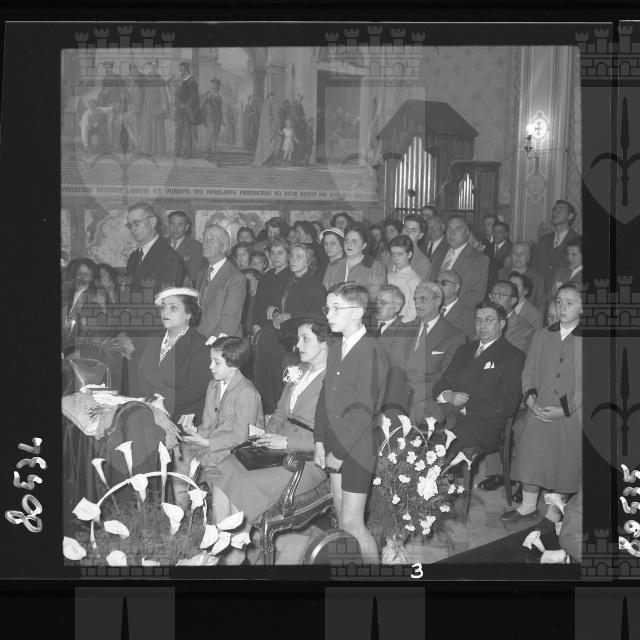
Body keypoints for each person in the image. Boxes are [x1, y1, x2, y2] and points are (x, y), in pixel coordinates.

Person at [209, 318, 330, 564]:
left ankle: (234, 559)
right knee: (226, 468)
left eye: (305, 339)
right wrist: (268, 435)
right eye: (297, 339)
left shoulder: (335, 381)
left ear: (325, 343)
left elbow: (331, 437)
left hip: (306, 459)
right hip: (275, 448)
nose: (297, 345)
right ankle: (223, 547)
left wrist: (286, 443)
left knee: (245, 483)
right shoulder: (299, 371)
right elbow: (279, 411)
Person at [315, 282, 390, 563]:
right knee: (340, 515)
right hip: (335, 442)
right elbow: (324, 397)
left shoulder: (371, 351)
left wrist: (339, 452)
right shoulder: (336, 347)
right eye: (327, 308)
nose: (329, 314)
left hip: (356, 449)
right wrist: (319, 440)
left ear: (358, 312)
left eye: (336, 308)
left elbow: (363, 412)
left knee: (352, 522)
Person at [503, 282, 583, 526]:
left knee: (564, 461)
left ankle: (553, 512)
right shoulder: (542, 335)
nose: (562, 308)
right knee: (531, 456)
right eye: (559, 302)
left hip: (571, 412)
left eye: (570, 303)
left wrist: (564, 410)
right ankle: (528, 505)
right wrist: (530, 400)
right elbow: (528, 372)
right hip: (540, 407)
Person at [176, 337, 264, 509]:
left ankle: (217, 512)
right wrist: (196, 432)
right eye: (211, 361)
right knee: (180, 454)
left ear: (234, 365)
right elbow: (208, 424)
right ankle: (181, 512)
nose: (211, 366)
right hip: (216, 442)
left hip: (239, 448)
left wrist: (207, 443)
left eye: (216, 362)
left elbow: (241, 436)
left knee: (205, 462)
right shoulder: (214, 385)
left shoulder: (246, 392)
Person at [432, 301, 526, 458]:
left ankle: (441, 474)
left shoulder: (513, 357)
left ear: (502, 324)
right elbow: (440, 386)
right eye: (478, 320)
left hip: (482, 425)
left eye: (489, 320)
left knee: (440, 442)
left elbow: (507, 405)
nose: (482, 325)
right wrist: (448, 395)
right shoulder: (465, 349)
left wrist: (465, 406)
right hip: (449, 416)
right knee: (416, 432)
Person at [254, 244, 327, 413]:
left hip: (298, 340)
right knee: (265, 346)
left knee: (281, 372)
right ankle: (269, 408)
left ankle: (278, 409)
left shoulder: (315, 286)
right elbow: (276, 306)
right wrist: (276, 313)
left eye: (299, 257)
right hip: (282, 335)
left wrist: (292, 316)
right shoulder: (288, 281)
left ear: (308, 261)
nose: (293, 260)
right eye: (292, 256)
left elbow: (317, 316)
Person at [137, 287, 211, 424]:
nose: (165, 312)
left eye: (173, 308)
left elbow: (197, 389)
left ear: (188, 314)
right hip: (150, 409)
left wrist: (164, 405)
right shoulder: (154, 339)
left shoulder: (200, 346)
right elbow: (142, 372)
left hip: (183, 418)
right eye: (163, 307)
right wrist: (151, 402)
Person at [402, 281, 465, 424]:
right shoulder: (404, 329)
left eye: (423, 299)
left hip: (426, 403)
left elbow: (445, 378)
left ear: (437, 301)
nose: (417, 304)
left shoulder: (454, 336)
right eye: (415, 300)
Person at [196, 224, 246, 341]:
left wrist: (209, 344)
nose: (205, 243)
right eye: (204, 239)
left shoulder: (236, 277)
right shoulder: (202, 274)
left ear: (224, 247)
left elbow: (230, 320)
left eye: (211, 240)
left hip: (222, 343)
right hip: (199, 340)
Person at [323, 222, 387, 310]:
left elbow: (376, 299)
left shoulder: (375, 267)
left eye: (354, 241)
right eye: (347, 240)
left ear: (364, 245)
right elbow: (325, 294)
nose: (349, 244)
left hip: (362, 314)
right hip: (334, 313)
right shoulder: (333, 266)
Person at [430, 215, 489, 309]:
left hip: (458, 313)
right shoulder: (438, 254)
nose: (452, 233)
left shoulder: (479, 259)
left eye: (458, 229)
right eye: (449, 228)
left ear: (467, 233)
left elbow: (476, 295)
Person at [126, 203, 185, 294]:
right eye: (130, 225)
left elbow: (168, 300)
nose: (133, 229)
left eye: (136, 223)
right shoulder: (133, 257)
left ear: (153, 221)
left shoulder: (170, 259)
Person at [531, 200, 581, 294]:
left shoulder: (578, 240)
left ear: (570, 216)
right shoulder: (543, 240)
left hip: (564, 293)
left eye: (560, 210)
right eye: (554, 210)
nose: (555, 213)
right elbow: (534, 266)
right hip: (541, 294)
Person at [488, 280, 535, 354]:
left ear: (513, 301)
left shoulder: (524, 330)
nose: (494, 299)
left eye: (501, 296)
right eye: (493, 295)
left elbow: (511, 356)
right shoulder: (483, 320)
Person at [499, 242, 546, 312]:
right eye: (515, 253)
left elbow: (541, 304)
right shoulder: (501, 274)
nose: (518, 256)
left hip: (529, 316)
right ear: (511, 256)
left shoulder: (536, 277)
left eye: (523, 253)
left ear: (528, 258)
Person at [138, 60, 169, 156]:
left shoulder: (159, 79)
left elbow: (163, 93)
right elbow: (142, 93)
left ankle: (156, 150)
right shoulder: (146, 79)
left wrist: (164, 105)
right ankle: (146, 150)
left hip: (155, 105)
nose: (145, 69)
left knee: (156, 126)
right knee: (147, 126)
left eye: (146, 67)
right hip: (147, 106)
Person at [387, 235, 421, 323]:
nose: (396, 258)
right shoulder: (388, 276)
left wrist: (399, 325)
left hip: (401, 324)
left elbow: (412, 312)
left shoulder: (414, 280)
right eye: (393, 254)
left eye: (400, 254)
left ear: (409, 254)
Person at [167, 210, 205, 287]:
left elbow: (193, 276)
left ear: (186, 227)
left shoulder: (196, 247)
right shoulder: (160, 244)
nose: (175, 229)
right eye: (172, 224)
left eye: (180, 225)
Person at [436, 270, 476, 340]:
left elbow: (463, 342)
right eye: (437, 282)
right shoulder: (431, 306)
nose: (438, 286)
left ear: (456, 287)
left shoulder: (468, 315)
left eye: (443, 282)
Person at [97, 61, 127, 152]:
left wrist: (124, 104)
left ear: (112, 68)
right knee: (109, 125)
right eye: (106, 68)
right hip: (109, 105)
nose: (107, 69)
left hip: (118, 104)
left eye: (109, 67)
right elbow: (103, 92)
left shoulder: (118, 77)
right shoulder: (105, 79)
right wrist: (103, 96)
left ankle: (119, 146)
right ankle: (111, 146)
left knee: (119, 125)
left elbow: (123, 91)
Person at [174, 62, 200, 159]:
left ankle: (187, 153)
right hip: (179, 109)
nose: (181, 70)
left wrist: (185, 105)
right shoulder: (180, 80)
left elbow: (194, 96)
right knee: (178, 130)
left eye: (182, 68)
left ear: (187, 69)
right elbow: (177, 94)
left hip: (187, 109)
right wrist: (178, 103)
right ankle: (177, 151)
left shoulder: (192, 81)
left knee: (186, 131)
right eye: (180, 68)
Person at [401, 215, 432, 281]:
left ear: (420, 235)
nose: (407, 233)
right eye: (405, 228)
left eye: (413, 230)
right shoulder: (389, 254)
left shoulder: (423, 263)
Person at [253, 93, 279, 166]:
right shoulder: (266, 104)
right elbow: (267, 117)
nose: (272, 100)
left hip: (267, 127)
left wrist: (273, 121)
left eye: (273, 98)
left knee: (270, 142)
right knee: (268, 142)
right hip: (266, 128)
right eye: (271, 98)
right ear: (268, 98)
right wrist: (272, 121)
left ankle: (267, 160)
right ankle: (264, 160)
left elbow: (271, 115)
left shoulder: (268, 104)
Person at [486, 221, 512, 291]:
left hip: (502, 284)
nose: (495, 235)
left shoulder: (511, 249)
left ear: (506, 235)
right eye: (494, 232)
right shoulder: (486, 248)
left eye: (499, 232)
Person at [202, 79, 225, 159]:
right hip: (210, 116)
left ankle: (213, 151)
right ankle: (208, 149)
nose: (213, 86)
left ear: (218, 85)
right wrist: (207, 97)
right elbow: (204, 105)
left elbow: (220, 109)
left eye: (215, 84)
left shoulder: (219, 96)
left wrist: (222, 119)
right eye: (212, 84)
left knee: (216, 133)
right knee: (211, 132)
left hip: (217, 117)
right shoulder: (209, 94)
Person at [241, 268, 262, 338]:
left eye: (248, 280)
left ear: (258, 281)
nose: (245, 284)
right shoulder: (242, 299)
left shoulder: (264, 300)